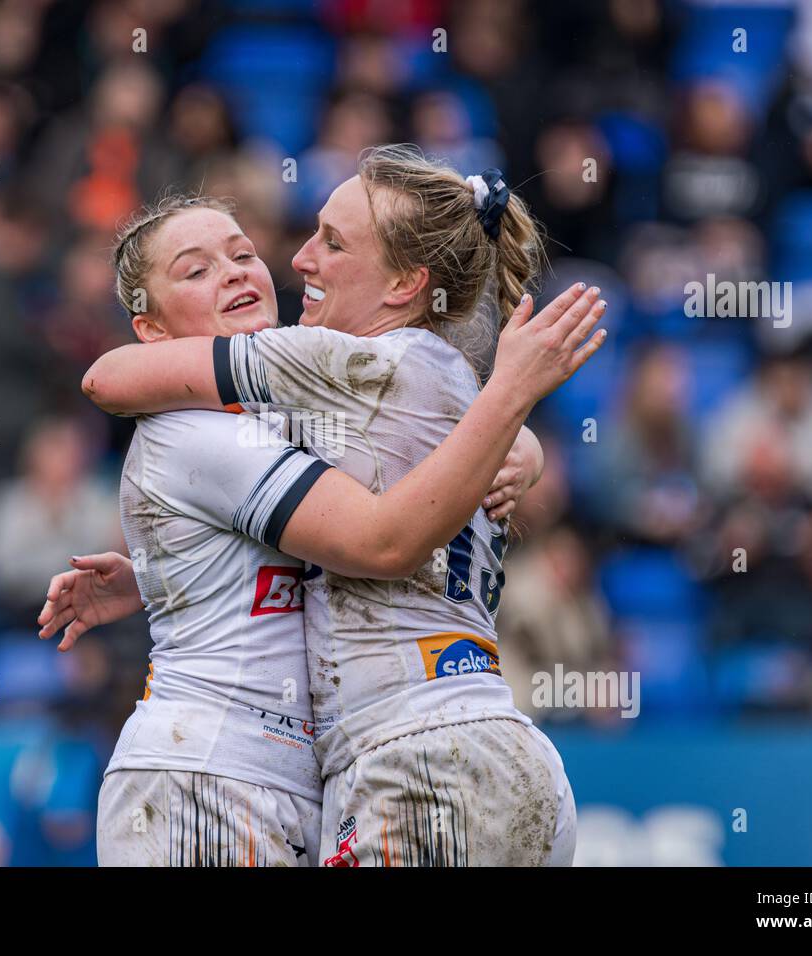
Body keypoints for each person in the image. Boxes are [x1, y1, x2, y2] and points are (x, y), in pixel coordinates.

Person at [69, 149, 605, 866]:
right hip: (461, 754)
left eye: (330, 242)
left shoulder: (331, 369)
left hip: (410, 764)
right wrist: (163, 572)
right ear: (151, 323)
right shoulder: (445, 400)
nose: (296, 260)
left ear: (405, 283)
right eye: (196, 270)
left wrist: (515, 406)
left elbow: (382, 539)